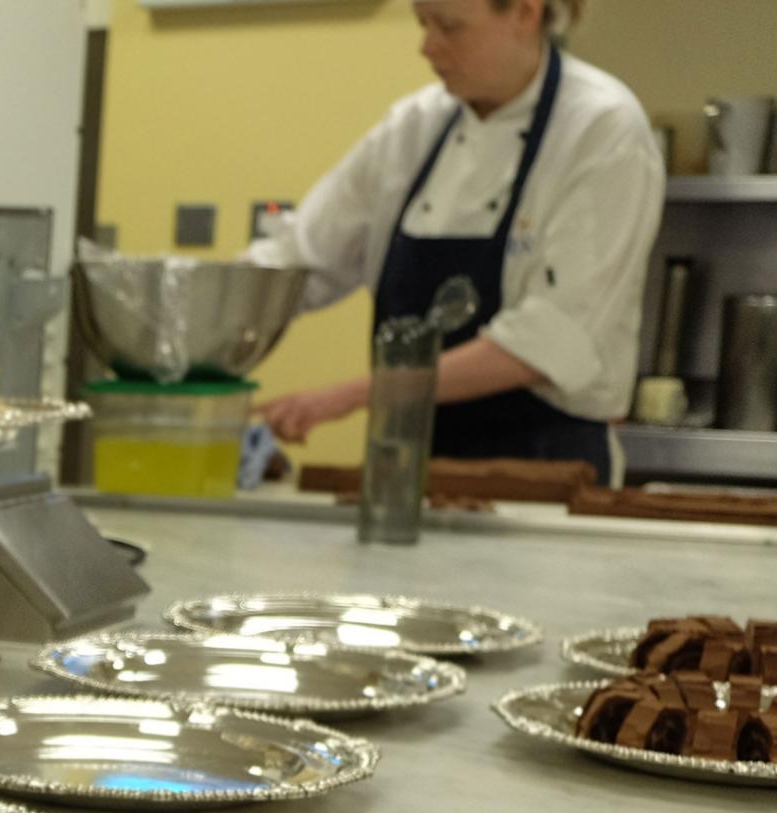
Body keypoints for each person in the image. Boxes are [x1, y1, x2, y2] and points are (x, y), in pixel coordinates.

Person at [250, 0, 661, 476]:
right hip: (404, 461)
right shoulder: (412, 127)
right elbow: (299, 261)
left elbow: (548, 342)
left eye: (450, 27)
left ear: (525, 13)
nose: (427, 47)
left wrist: (344, 396)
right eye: (423, 23)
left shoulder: (602, 127)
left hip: (544, 469)